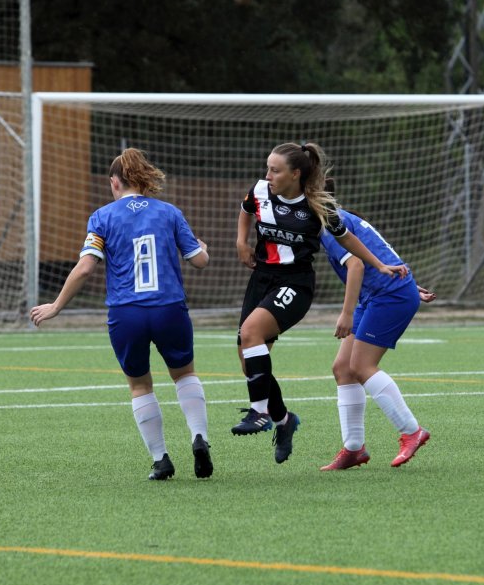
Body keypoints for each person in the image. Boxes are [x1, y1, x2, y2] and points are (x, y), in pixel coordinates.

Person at [30, 148, 213, 480]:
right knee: (184, 375)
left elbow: (86, 268)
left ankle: (161, 459)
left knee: (140, 385)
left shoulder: (102, 217)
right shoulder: (170, 212)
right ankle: (199, 436)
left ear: (114, 182)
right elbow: (198, 261)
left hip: (126, 313)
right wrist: (203, 248)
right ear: (143, 179)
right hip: (168, 308)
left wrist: (55, 306)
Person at [231, 141, 409, 464]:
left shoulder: (317, 207)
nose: (268, 175)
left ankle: (259, 412)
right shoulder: (259, 190)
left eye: (276, 170)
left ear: (295, 174)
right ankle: (284, 421)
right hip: (261, 280)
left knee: (251, 333)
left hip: (295, 285)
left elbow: (348, 241)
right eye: (267, 168)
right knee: (248, 358)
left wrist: (379, 265)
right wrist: (242, 241)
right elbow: (246, 211)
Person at [317, 187, 436, 470]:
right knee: (343, 368)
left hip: (388, 295)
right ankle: (354, 448)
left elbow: (356, 265)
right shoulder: (338, 217)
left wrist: (346, 314)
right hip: (384, 292)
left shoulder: (326, 224)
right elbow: (381, 253)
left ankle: (411, 430)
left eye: (275, 171)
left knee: (361, 366)